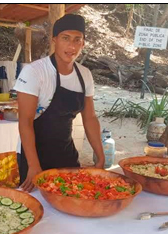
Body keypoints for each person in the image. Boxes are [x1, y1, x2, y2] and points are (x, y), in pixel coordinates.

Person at [14, 14, 105, 192]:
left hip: (67, 155)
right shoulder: (35, 72)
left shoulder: (84, 74)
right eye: (65, 38)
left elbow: (90, 118)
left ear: (83, 43)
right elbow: (25, 122)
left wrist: (100, 156)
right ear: (54, 40)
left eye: (77, 40)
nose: (71, 46)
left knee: (74, 200)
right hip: (34, 156)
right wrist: (34, 166)